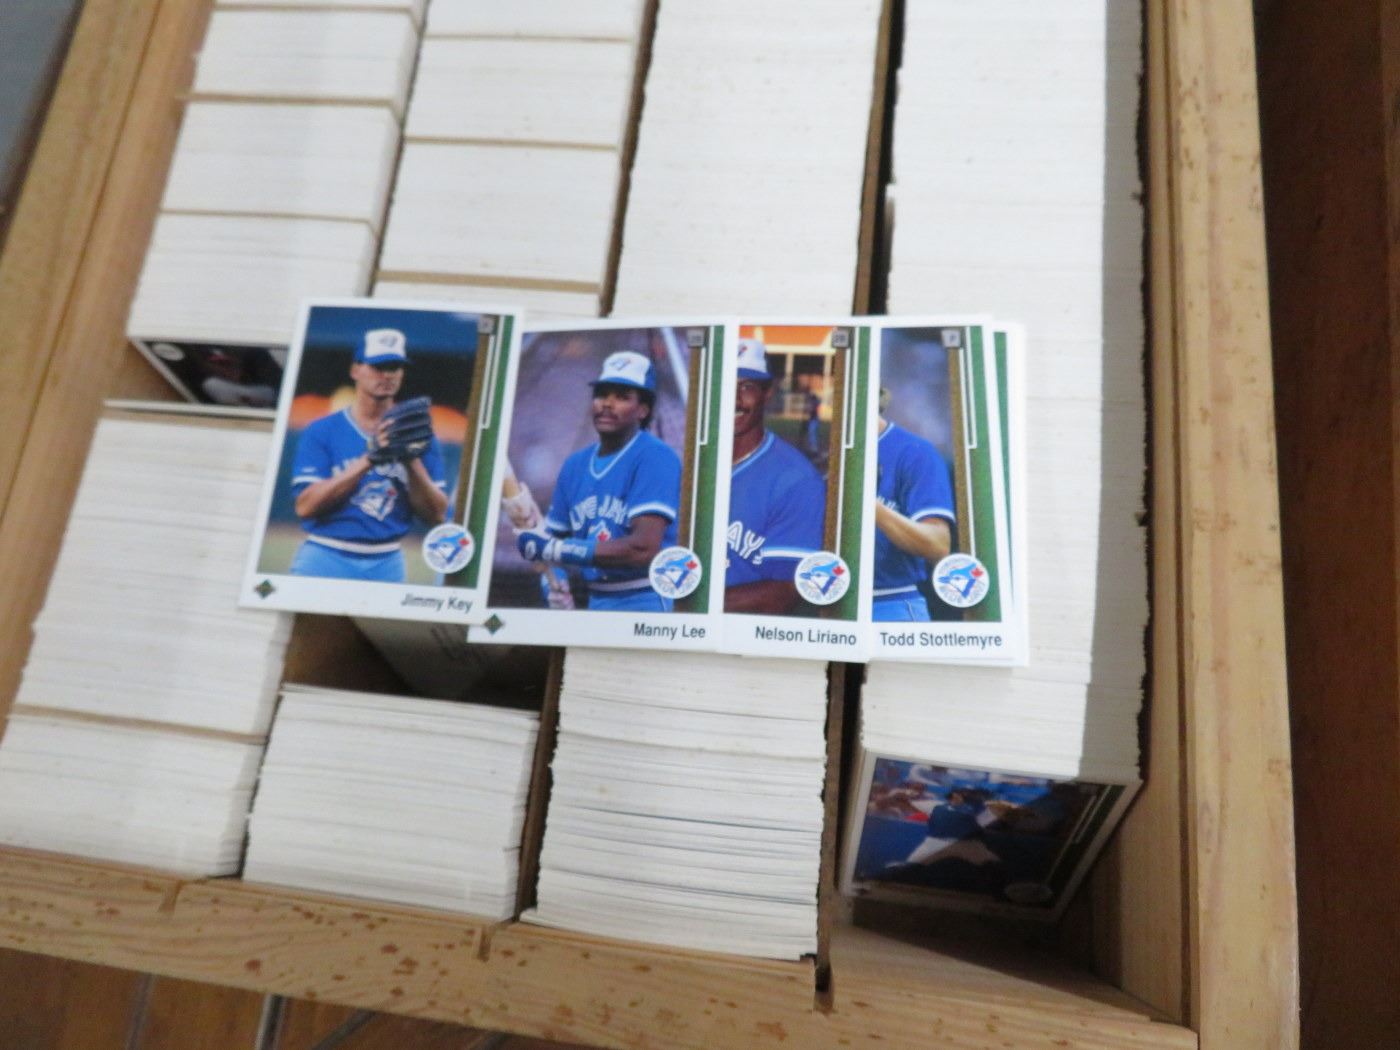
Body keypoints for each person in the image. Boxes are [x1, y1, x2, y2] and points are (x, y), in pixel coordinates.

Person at [515, 351, 682, 612]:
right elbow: (552, 542)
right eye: (602, 394)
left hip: (648, 597)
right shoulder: (575, 464)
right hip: (597, 599)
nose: (607, 404)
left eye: (622, 397)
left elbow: (642, 548)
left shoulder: (655, 457)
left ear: (643, 409)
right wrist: (553, 583)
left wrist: (557, 550)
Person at [288, 328, 448, 582]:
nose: (387, 375)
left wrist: (411, 461)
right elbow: (305, 506)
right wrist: (369, 459)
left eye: (394, 367)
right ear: (355, 370)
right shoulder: (322, 431)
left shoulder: (419, 436)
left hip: (387, 560)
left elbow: (437, 516)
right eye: (378, 366)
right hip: (325, 553)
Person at [724, 338, 826, 615]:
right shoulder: (688, 466)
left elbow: (782, 593)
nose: (734, 398)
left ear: (767, 393)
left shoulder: (797, 480)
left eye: (747, 387)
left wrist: (684, 605)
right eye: (726, 385)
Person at [872, 388, 956, 621]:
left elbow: (938, 545)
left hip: (891, 600)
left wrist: (870, 506)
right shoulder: (827, 447)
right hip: (829, 598)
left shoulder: (914, 452)